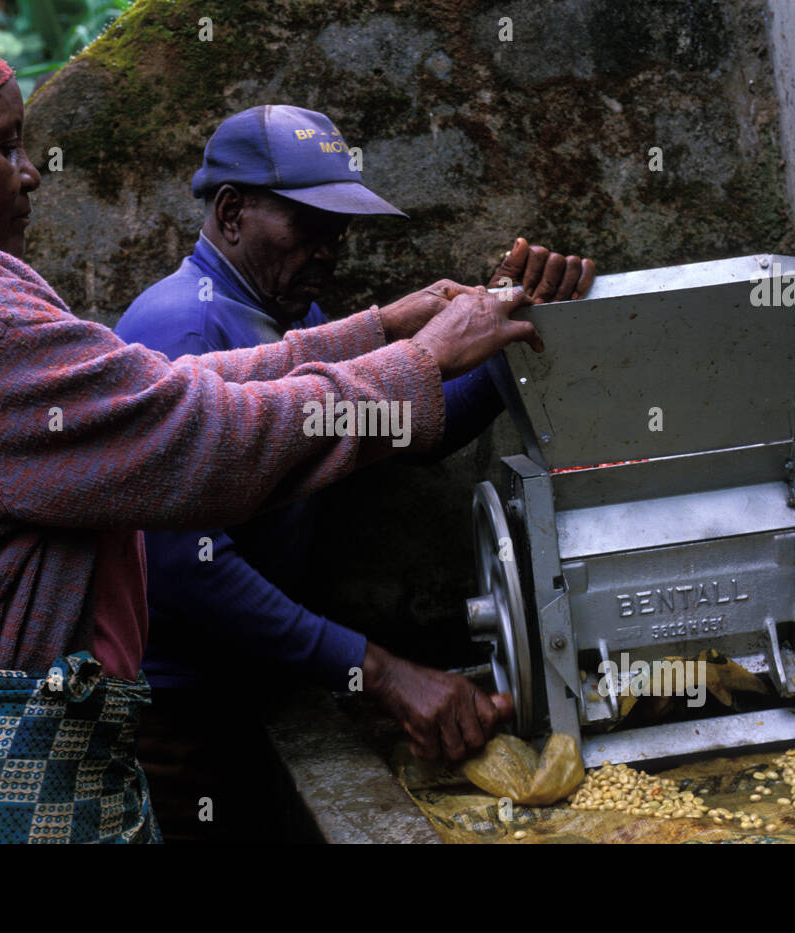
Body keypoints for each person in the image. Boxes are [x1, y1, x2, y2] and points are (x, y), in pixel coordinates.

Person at [0, 2, 540, 844]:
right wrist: (418, 365)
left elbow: (163, 393)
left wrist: (381, 331)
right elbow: (200, 435)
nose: (29, 172)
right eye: (4, 145)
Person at [115, 105, 595, 841]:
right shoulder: (184, 325)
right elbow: (181, 564)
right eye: (308, 227)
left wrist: (509, 334)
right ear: (233, 211)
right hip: (181, 718)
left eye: (338, 230)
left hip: (256, 695)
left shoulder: (285, 313)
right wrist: (378, 669)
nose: (329, 249)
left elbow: (395, 429)